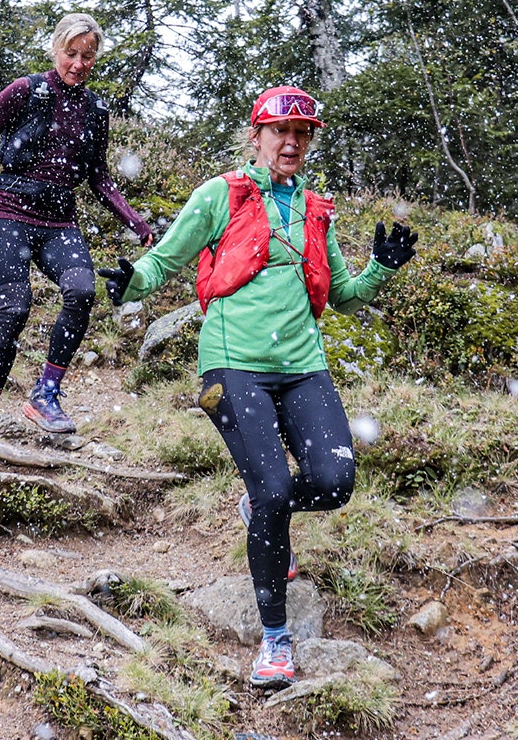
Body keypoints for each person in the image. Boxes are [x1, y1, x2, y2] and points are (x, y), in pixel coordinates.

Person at [96, 87, 417, 688]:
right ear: (257, 135)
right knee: (274, 491)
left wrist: (382, 269)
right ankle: (275, 642)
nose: (290, 142)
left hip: (303, 366)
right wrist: (131, 282)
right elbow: (164, 262)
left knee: (335, 481)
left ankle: (260, 506)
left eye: (302, 134)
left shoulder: (316, 211)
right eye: (279, 131)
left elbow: (343, 295)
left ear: (310, 141)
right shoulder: (221, 195)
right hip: (231, 365)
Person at [0, 13, 154, 437]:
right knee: (15, 309)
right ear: (56, 50)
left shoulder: (95, 109)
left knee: (82, 291)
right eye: (71, 53)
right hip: (8, 213)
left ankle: (45, 395)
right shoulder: (25, 91)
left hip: (58, 220)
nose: (78, 63)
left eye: (87, 56)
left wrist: (136, 222)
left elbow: (99, 176)